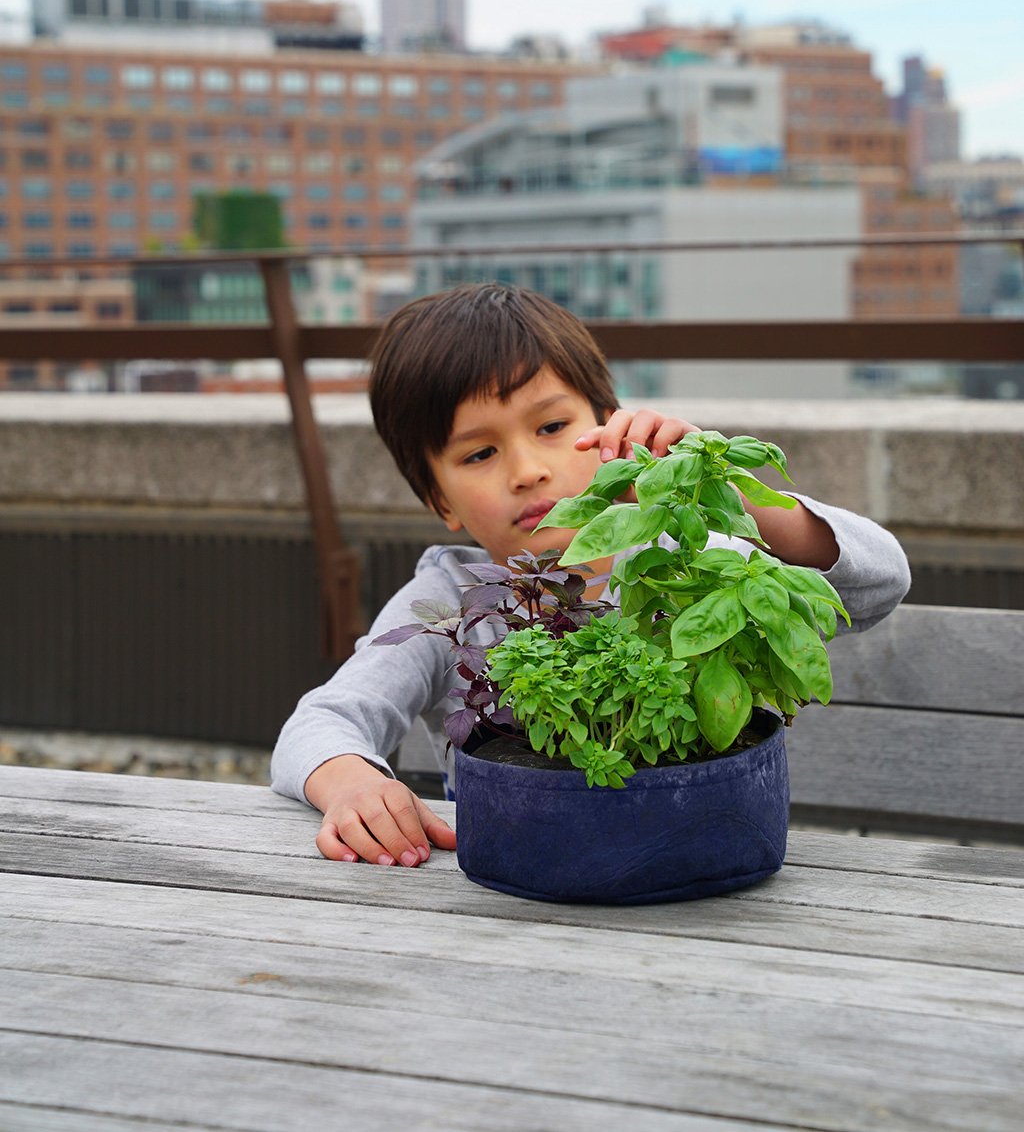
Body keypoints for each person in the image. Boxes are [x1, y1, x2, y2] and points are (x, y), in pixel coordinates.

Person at [271, 282, 910, 868]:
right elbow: (322, 721)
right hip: (520, 880)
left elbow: (879, 583)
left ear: (608, 426)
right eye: (479, 452)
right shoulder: (451, 601)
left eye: (552, 426)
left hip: (696, 858)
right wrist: (352, 781)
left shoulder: (688, 561)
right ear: (440, 501)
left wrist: (718, 489)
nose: (527, 468)